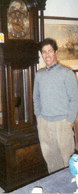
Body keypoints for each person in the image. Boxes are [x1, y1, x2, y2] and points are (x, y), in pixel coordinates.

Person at [33, 38, 78, 174]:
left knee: (67, 162)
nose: (47, 55)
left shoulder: (67, 73)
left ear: (56, 52)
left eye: (50, 51)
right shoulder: (39, 75)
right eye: (44, 52)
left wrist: (69, 121)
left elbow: (74, 99)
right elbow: (36, 97)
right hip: (44, 124)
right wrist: (38, 117)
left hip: (62, 124)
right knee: (51, 161)